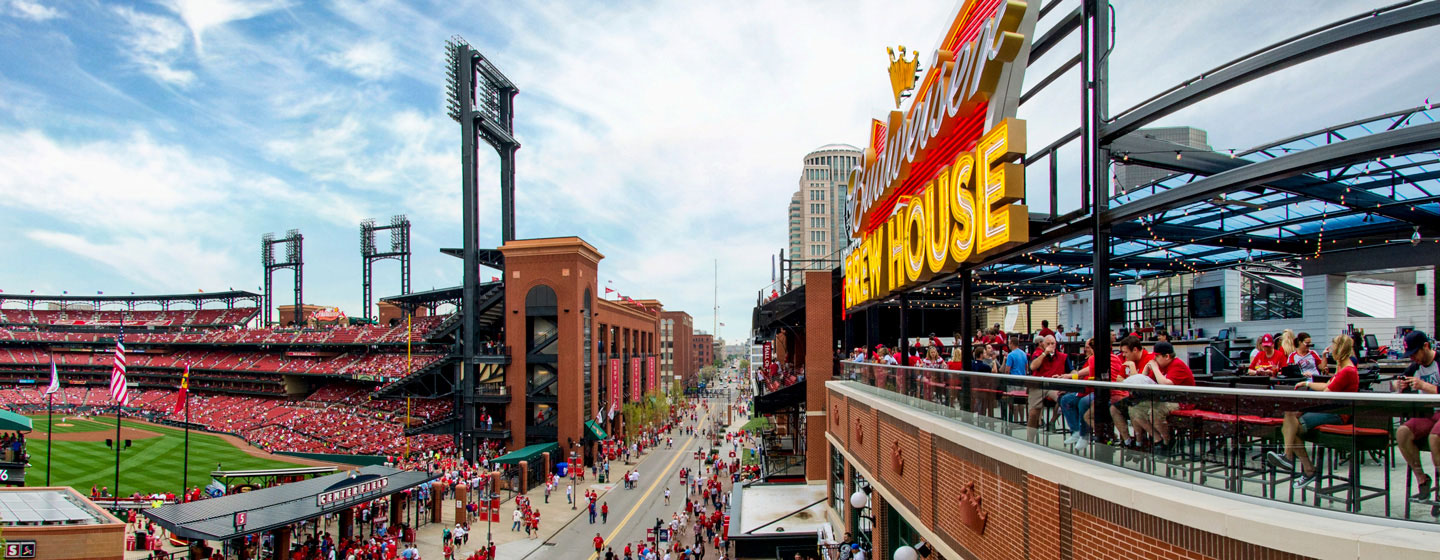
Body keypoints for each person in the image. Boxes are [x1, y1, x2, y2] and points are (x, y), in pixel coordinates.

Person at [1266, 334, 1360, 488]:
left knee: (1291, 422)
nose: (1331, 349)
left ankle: (1295, 461)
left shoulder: (1347, 371)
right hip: (1331, 410)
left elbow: (1326, 394)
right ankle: (1300, 464)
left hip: (1337, 414)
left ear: (1340, 348)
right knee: (1290, 418)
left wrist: (1305, 404)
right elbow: (1326, 386)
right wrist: (1307, 384)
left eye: (1334, 345)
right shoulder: (1344, 368)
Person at [1393, 331, 1440, 500]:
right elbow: (1398, 384)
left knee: (1435, 436)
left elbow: (1428, 388)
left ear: (1426, 346)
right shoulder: (1415, 367)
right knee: (1402, 432)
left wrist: (1425, 386)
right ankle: (1422, 479)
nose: (1413, 359)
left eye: (1414, 354)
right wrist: (1400, 385)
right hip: (1428, 414)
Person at [1127, 341, 1195, 454]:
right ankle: (1158, 439)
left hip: (1183, 402)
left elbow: (1166, 384)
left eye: (1157, 356)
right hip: (1165, 400)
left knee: (1155, 412)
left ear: (1167, 356)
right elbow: (1144, 382)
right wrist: (1146, 370)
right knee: (1135, 410)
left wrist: (1155, 368)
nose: (1154, 359)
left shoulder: (1177, 364)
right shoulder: (1161, 366)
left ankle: (1168, 442)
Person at [1026, 335, 1068, 442]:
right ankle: (1030, 440)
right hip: (1038, 386)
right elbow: (1032, 367)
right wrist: (1044, 354)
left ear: (1056, 344)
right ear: (1043, 345)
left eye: (1052, 343)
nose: (1050, 346)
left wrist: (1066, 376)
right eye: (1048, 344)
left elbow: (1072, 371)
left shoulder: (1063, 356)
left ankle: (1052, 421)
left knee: (1063, 399)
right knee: (1033, 413)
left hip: (1054, 386)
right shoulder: (1038, 355)